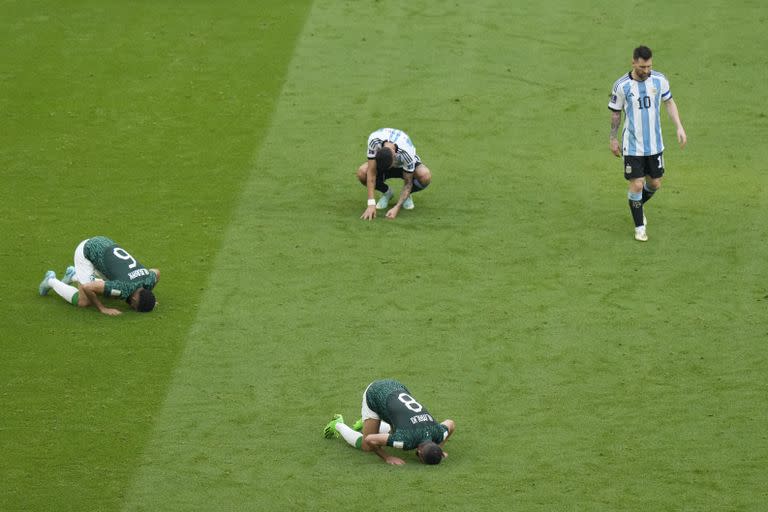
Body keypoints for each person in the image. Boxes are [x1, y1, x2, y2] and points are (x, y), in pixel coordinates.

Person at [608, 45, 687, 242]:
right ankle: (639, 227)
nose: (646, 71)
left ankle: (637, 206)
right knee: (636, 184)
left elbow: (669, 102)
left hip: (655, 144)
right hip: (632, 145)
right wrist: (613, 138)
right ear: (633, 62)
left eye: (649, 66)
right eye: (642, 67)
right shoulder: (621, 86)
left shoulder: (660, 80)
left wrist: (679, 126)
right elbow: (616, 114)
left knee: (655, 183)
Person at [323, 378, 455, 465]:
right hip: (375, 393)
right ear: (419, 453)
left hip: (397, 387)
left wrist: (439, 448)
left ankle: (368, 422)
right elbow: (370, 439)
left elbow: (450, 423)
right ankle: (338, 424)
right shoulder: (406, 440)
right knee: (367, 446)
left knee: (395, 430)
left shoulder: (438, 432)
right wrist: (387, 457)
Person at [38, 236, 160, 316]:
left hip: (105, 243)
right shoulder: (123, 288)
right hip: (87, 252)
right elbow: (88, 288)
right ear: (134, 300)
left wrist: (148, 298)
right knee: (84, 301)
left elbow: (156, 272)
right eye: (134, 306)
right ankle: (51, 281)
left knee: (111, 293)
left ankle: (73, 275)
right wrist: (103, 308)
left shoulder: (149, 280)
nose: (131, 306)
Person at [356, 128, 432, 220]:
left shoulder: (406, 153)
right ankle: (387, 192)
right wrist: (371, 204)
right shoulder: (374, 141)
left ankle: (407, 195)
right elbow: (371, 172)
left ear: (395, 157)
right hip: (385, 161)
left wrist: (397, 207)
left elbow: (408, 183)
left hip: (404, 165)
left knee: (425, 176)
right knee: (362, 172)